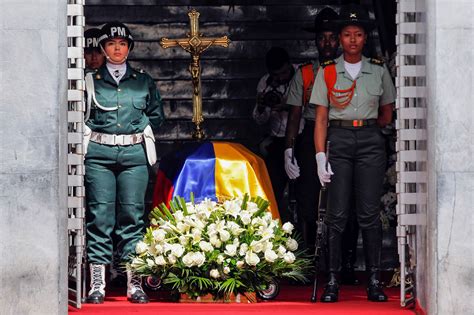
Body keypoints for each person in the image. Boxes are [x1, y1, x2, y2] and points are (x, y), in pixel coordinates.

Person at [311, 5, 396, 302]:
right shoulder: (328, 71)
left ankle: (374, 280)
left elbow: (387, 111)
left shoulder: (378, 68)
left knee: (369, 214)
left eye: (358, 34)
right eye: (347, 35)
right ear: (339, 38)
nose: (352, 40)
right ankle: (332, 279)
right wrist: (320, 156)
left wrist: (371, 130)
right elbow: (321, 118)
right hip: (340, 138)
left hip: (371, 140)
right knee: (336, 214)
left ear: (364, 38)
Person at [84, 22, 165, 304]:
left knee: (132, 218)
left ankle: (134, 282)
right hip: (99, 155)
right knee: (100, 217)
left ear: (129, 48)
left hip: (134, 156)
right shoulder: (89, 80)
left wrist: (137, 127)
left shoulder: (143, 80)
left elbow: (157, 115)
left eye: (122, 44)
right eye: (111, 44)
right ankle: (98, 283)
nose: (116, 49)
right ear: (103, 48)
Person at [253, 47, 303, 224]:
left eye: (283, 72)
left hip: (301, 140)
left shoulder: (301, 75)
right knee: (273, 188)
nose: (281, 78)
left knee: (302, 191)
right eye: (276, 75)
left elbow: (312, 109)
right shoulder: (265, 83)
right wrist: (262, 106)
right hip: (276, 142)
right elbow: (260, 120)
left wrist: (291, 107)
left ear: (290, 65)